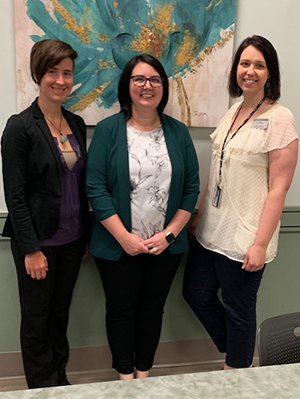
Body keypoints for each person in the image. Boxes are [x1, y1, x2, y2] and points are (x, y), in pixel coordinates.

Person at [183, 35, 298, 369]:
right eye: (245, 64)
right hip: (211, 231)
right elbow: (217, 173)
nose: (250, 71)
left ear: (270, 74)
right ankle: (237, 350)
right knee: (196, 294)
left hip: (245, 236)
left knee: (239, 310)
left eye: (259, 65)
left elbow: (279, 187)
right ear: (236, 70)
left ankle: (237, 373)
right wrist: (200, 214)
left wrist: (260, 244)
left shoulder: (280, 118)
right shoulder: (233, 111)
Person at [86, 54, 199, 379]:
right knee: (121, 313)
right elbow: (95, 188)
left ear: (163, 86)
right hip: (117, 245)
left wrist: (169, 235)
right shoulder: (109, 130)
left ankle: (144, 377)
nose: (147, 86)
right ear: (128, 86)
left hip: (165, 247)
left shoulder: (177, 132)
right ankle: (124, 379)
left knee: (151, 312)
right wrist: (125, 239)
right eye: (139, 79)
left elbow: (191, 187)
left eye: (154, 79)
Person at [1, 39, 89, 388]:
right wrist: (32, 249)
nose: (61, 80)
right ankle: (41, 388)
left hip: (72, 240)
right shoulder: (20, 128)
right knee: (36, 320)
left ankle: (59, 381)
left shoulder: (77, 124)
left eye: (67, 73)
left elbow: (80, 184)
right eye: (53, 72)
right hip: (39, 244)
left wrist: (86, 233)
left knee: (59, 316)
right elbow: (15, 195)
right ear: (39, 74)